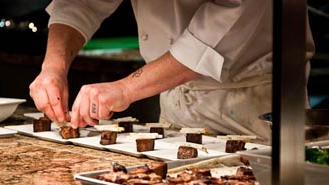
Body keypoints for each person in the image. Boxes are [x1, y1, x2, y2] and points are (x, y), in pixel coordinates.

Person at [29, 0, 315, 144]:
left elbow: (228, 19)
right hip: (172, 108)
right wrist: (52, 66)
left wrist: (125, 89)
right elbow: (81, 2)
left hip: (254, 110)